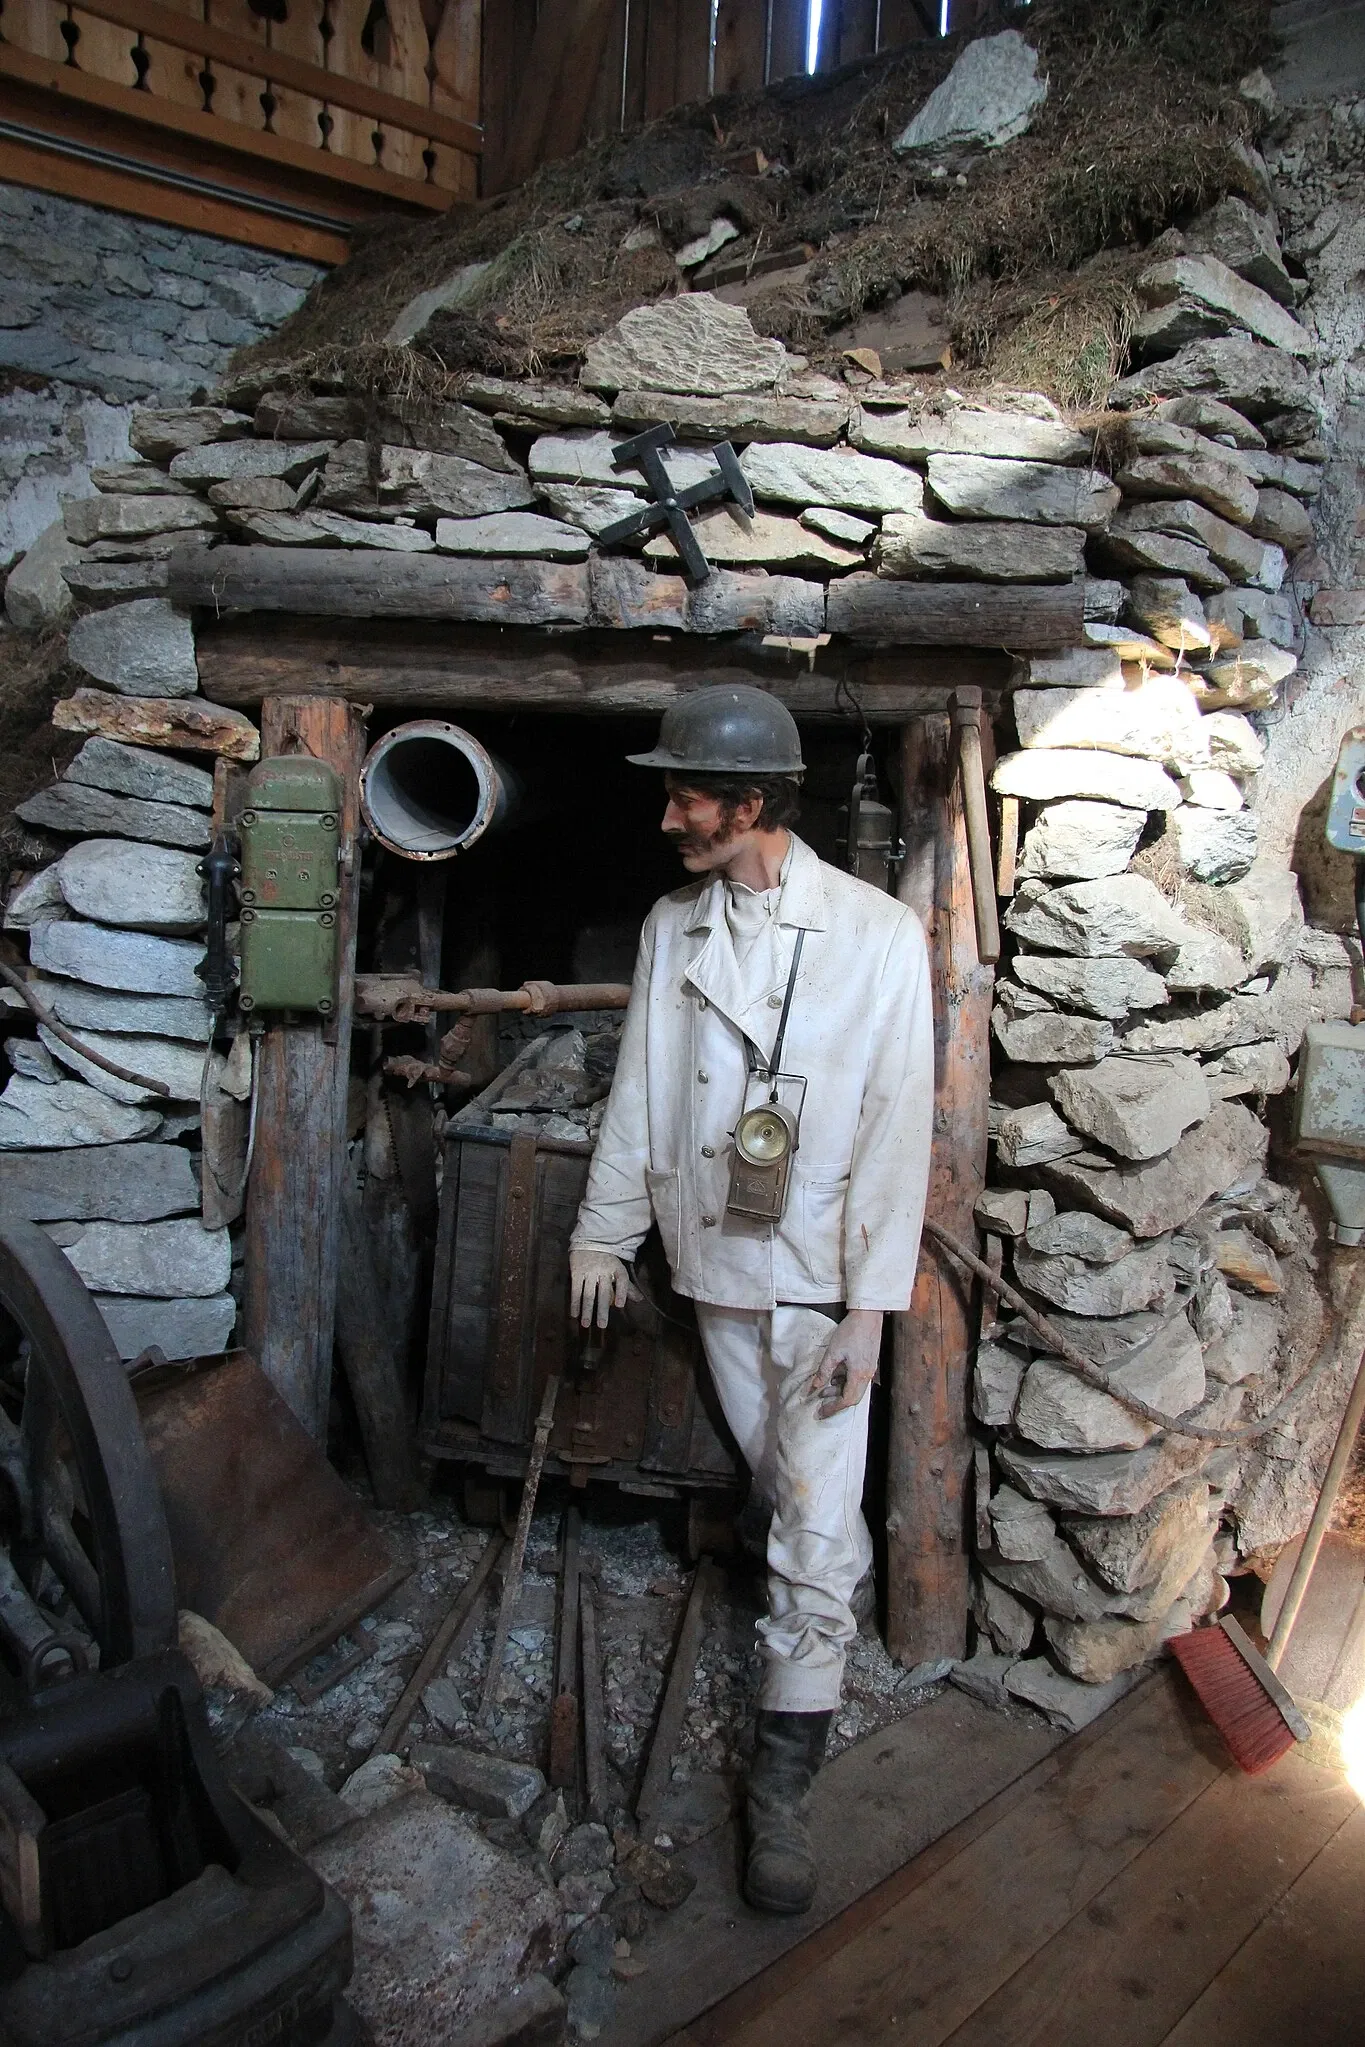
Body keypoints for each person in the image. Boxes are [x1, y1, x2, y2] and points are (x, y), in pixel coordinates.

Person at [568, 684, 934, 1916]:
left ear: (756, 802)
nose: (669, 817)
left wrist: (870, 1308)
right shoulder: (672, 928)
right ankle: (823, 1589)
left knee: (811, 1514)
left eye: (688, 797)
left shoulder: (878, 935)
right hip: (716, 1260)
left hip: (824, 1271)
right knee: (781, 1481)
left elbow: (897, 1128)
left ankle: (780, 1789)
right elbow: (639, 1089)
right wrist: (602, 1229)